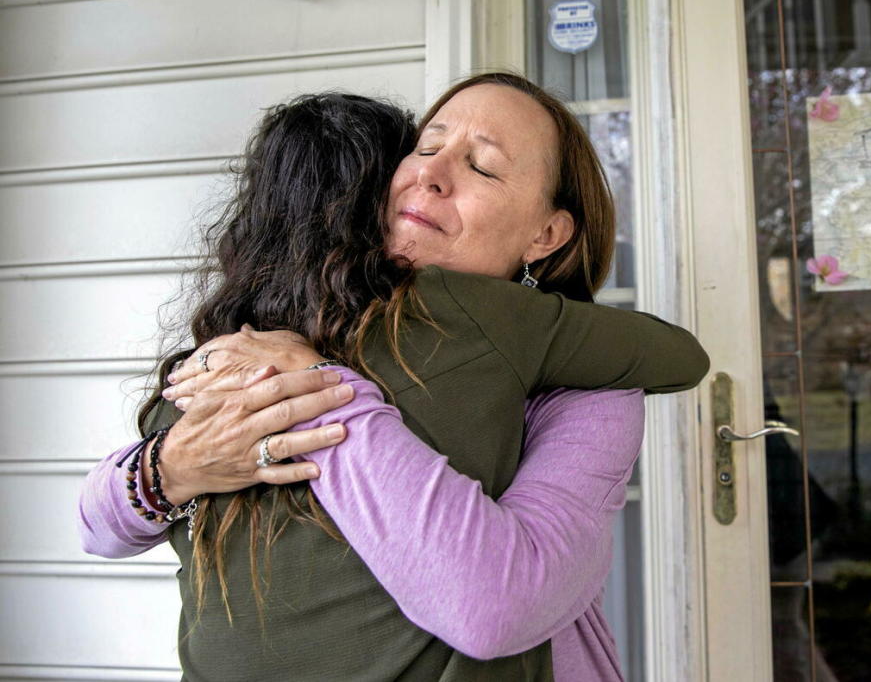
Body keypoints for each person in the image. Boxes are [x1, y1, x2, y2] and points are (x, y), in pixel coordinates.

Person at [79, 77, 709, 680]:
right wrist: (166, 470)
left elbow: (496, 606)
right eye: (426, 147)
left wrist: (321, 391)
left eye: (483, 167)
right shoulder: (274, 334)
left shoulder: (585, 385)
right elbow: (96, 524)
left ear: (546, 234)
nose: (431, 174)